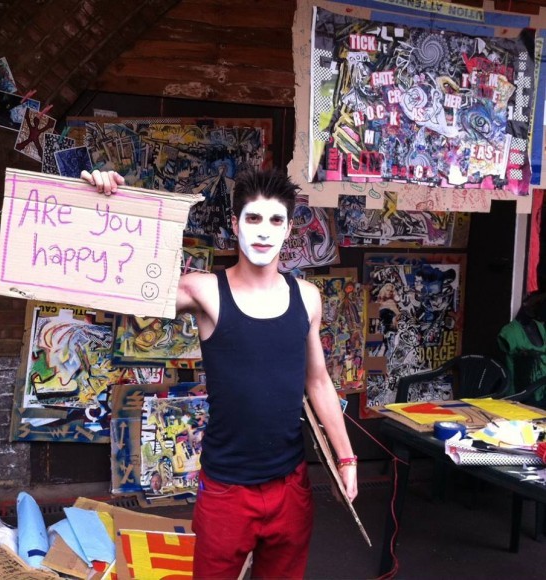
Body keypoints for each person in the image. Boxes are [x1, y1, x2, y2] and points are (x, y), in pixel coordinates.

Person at [81, 167, 358, 579]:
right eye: (253, 218)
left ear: (288, 229)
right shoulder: (204, 290)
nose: (264, 231)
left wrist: (347, 457)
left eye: (276, 220)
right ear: (235, 224)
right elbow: (119, 283)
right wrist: (103, 206)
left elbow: (317, 382)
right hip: (227, 491)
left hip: (290, 487)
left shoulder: (307, 298)